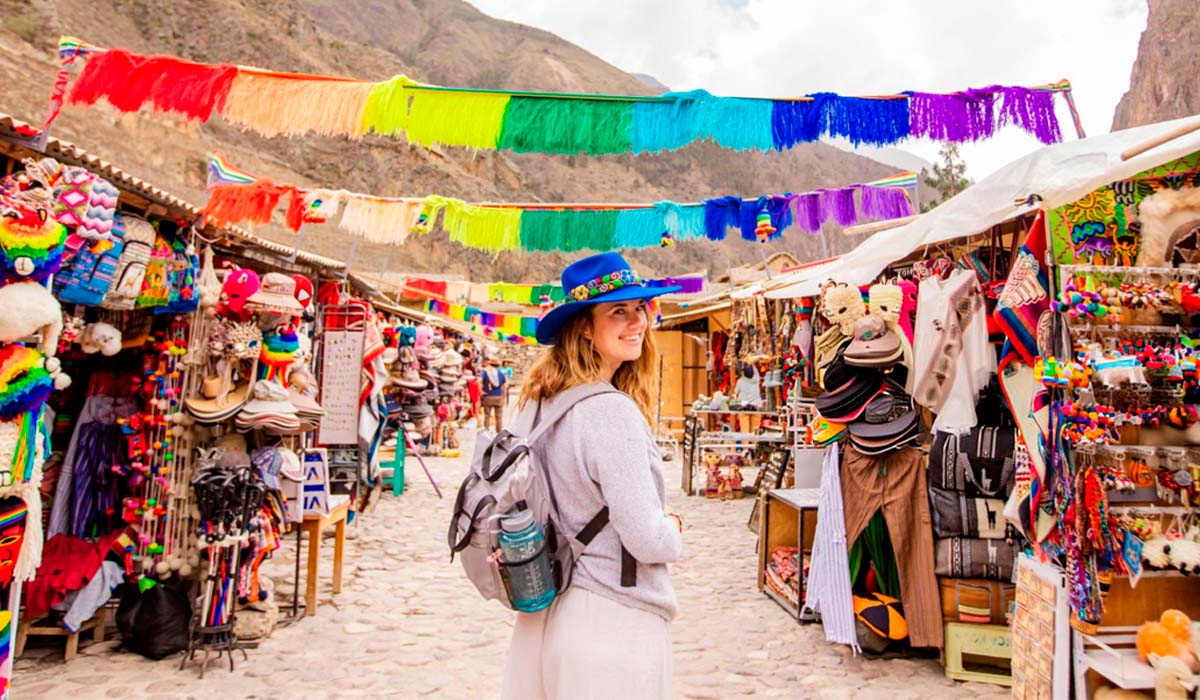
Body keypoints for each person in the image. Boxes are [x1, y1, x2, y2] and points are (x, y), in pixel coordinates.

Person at [501, 252, 684, 700]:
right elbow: (645, 538)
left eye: (639, 308)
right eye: (617, 311)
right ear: (584, 326)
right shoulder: (610, 411)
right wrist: (674, 530)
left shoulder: (537, 404)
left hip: (546, 613)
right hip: (611, 621)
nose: (636, 321)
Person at [481, 356, 508, 432]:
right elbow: (504, 387)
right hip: (498, 396)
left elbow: (478, 380)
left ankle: (486, 432)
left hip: (488, 396)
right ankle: (499, 432)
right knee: (499, 417)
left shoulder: (485, 372)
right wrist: (503, 397)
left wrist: (481, 391)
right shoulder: (501, 373)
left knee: (487, 416)